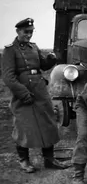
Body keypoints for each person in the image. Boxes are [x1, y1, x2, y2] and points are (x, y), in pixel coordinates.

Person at [2, 18, 69, 173]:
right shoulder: (10, 50)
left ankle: (49, 159)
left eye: (31, 32)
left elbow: (42, 65)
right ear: (18, 31)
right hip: (23, 93)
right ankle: (24, 160)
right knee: (23, 125)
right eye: (26, 32)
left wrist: (51, 59)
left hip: (40, 91)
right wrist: (23, 94)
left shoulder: (34, 47)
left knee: (48, 122)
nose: (29, 35)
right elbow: (8, 77)